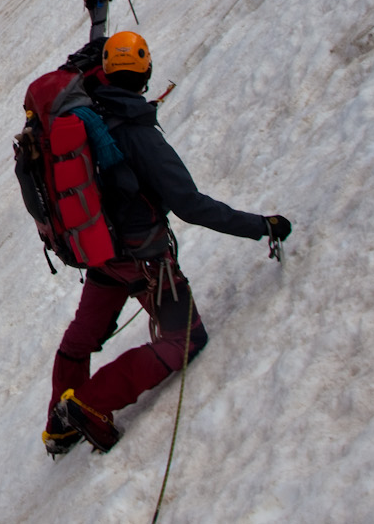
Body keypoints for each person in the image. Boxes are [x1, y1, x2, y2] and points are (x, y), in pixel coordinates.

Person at [43, 30, 291, 455]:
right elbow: (190, 204)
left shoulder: (85, 110)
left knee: (79, 340)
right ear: (145, 74)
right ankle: (89, 404)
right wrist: (260, 226)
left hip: (100, 252)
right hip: (145, 259)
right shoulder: (139, 135)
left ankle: (59, 427)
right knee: (184, 338)